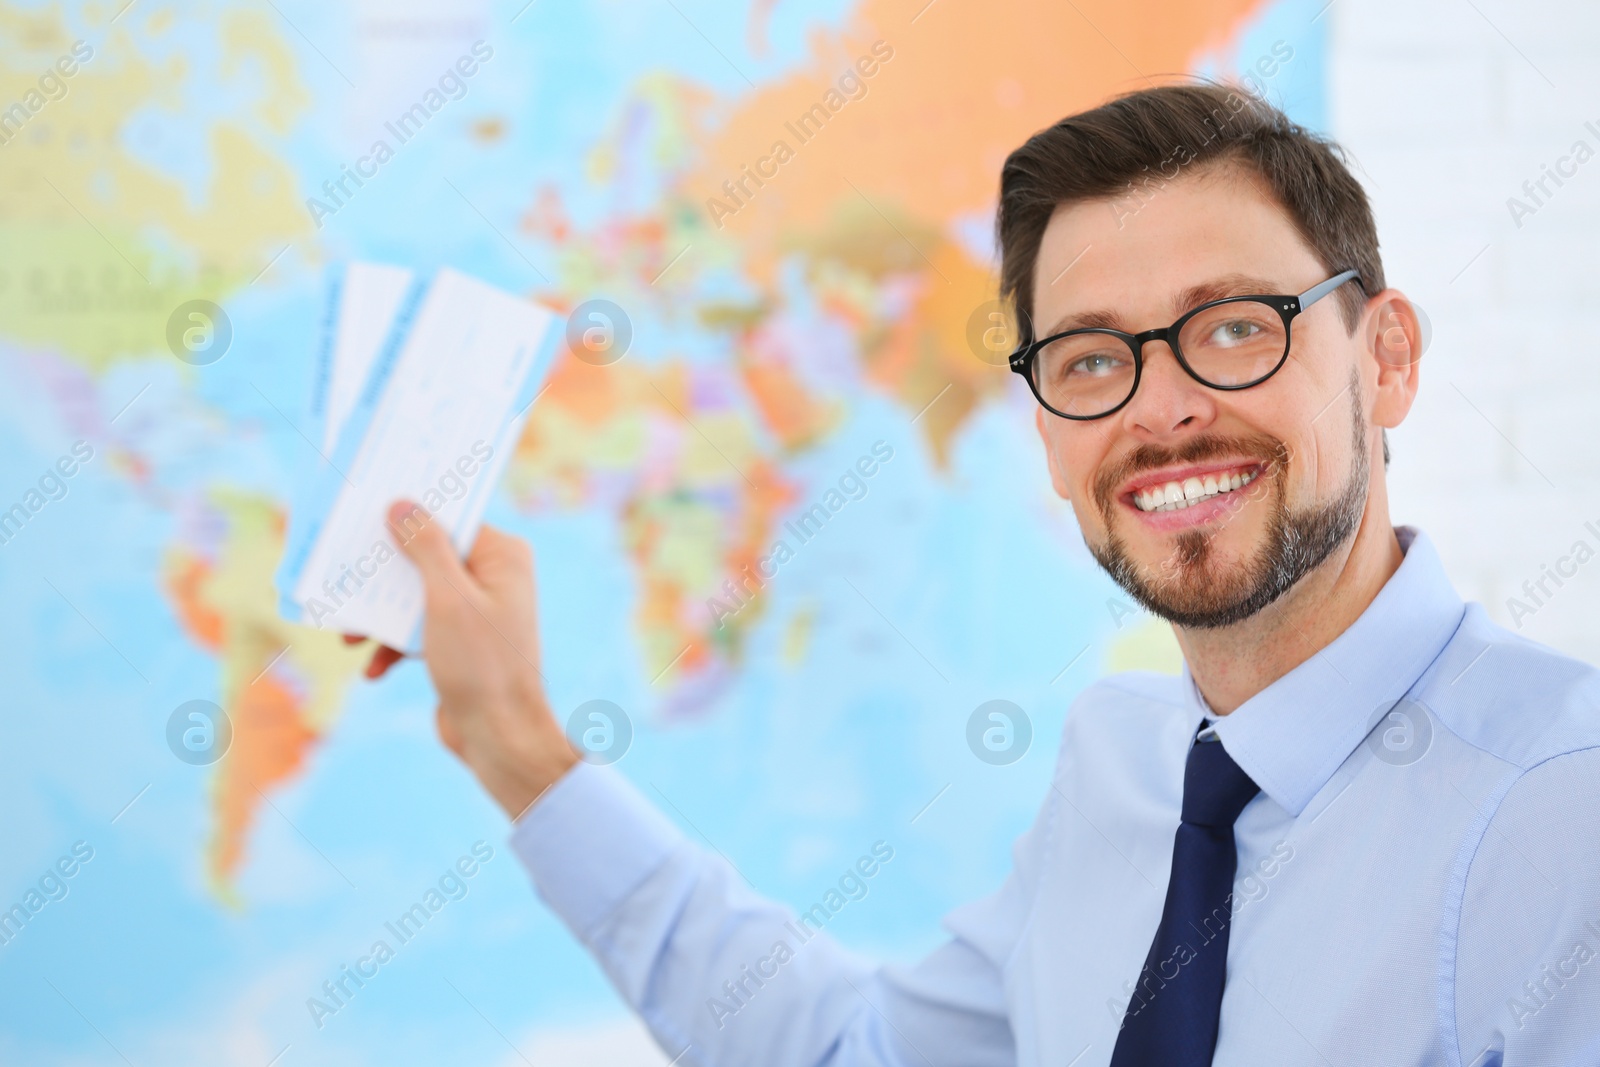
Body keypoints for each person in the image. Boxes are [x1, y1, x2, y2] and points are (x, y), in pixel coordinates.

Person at [345, 83, 1600, 1066]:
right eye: (1092, 357)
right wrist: (509, 736)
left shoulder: (1561, 817)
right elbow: (860, 1052)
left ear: (1383, 360)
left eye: (1231, 328)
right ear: (1049, 432)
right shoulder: (1130, 763)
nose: (1158, 411)